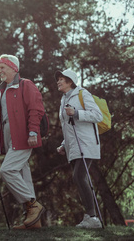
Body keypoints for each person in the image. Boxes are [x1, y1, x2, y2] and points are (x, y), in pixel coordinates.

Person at [0, 54, 46, 230]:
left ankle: (33, 204)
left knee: (7, 170)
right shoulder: (3, 91)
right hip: (9, 139)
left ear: (14, 68)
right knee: (24, 175)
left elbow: (36, 109)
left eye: (3, 67)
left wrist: (32, 131)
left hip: (23, 138)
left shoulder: (26, 85)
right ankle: (33, 222)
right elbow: (4, 120)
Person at [55, 69, 103, 229]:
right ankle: (90, 217)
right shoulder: (63, 100)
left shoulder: (83, 94)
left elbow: (97, 115)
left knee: (79, 176)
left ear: (70, 81)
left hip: (87, 144)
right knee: (79, 178)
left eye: (61, 79)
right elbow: (68, 127)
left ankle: (93, 218)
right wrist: (63, 144)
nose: (58, 82)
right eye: (58, 79)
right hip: (74, 147)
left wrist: (76, 113)